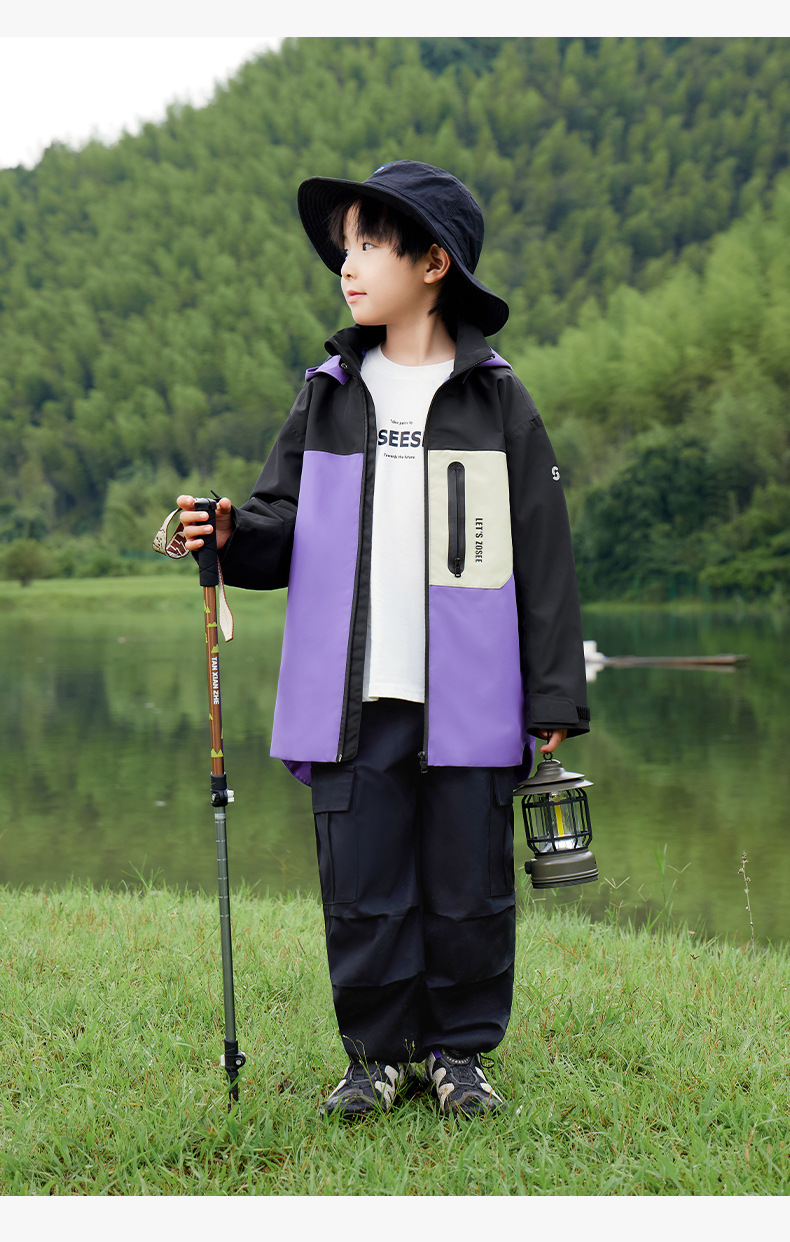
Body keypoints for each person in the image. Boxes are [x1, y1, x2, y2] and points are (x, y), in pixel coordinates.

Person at [175, 161, 589, 1119]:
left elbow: (544, 553)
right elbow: (281, 520)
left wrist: (553, 694)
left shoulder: (496, 397)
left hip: (472, 695)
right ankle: (375, 1058)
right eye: (345, 246)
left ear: (433, 263)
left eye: (370, 244)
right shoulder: (329, 390)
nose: (348, 265)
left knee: (468, 885)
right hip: (351, 692)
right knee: (361, 883)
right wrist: (232, 532)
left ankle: (459, 1054)